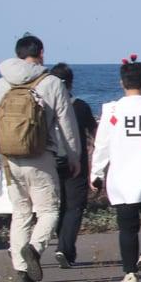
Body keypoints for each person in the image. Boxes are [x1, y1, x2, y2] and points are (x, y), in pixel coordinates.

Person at [0, 34, 81, 282]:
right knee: (49, 210)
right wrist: (74, 156)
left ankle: (21, 269)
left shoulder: (1, 83)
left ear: (18, 54)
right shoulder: (52, 83)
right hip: (40, 156)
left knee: (21, 211)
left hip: (10, 158)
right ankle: (35, 248)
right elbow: (67, 125)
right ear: (41, 53)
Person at [89, 56, 141, 282]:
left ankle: (129, 274)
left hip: (121, 177)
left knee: (127, 228)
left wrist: (96, 173)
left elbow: (102, 144)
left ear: (122, 83)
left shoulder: (112, 109)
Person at [46, 62, 95, 269]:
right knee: (74, 207)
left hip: (49, 161)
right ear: (71, 83)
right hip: (76, 163)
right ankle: (65, 249)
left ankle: (64, 247)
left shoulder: (45, 107)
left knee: (57, 206)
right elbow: (95, 134)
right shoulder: (80, 107)